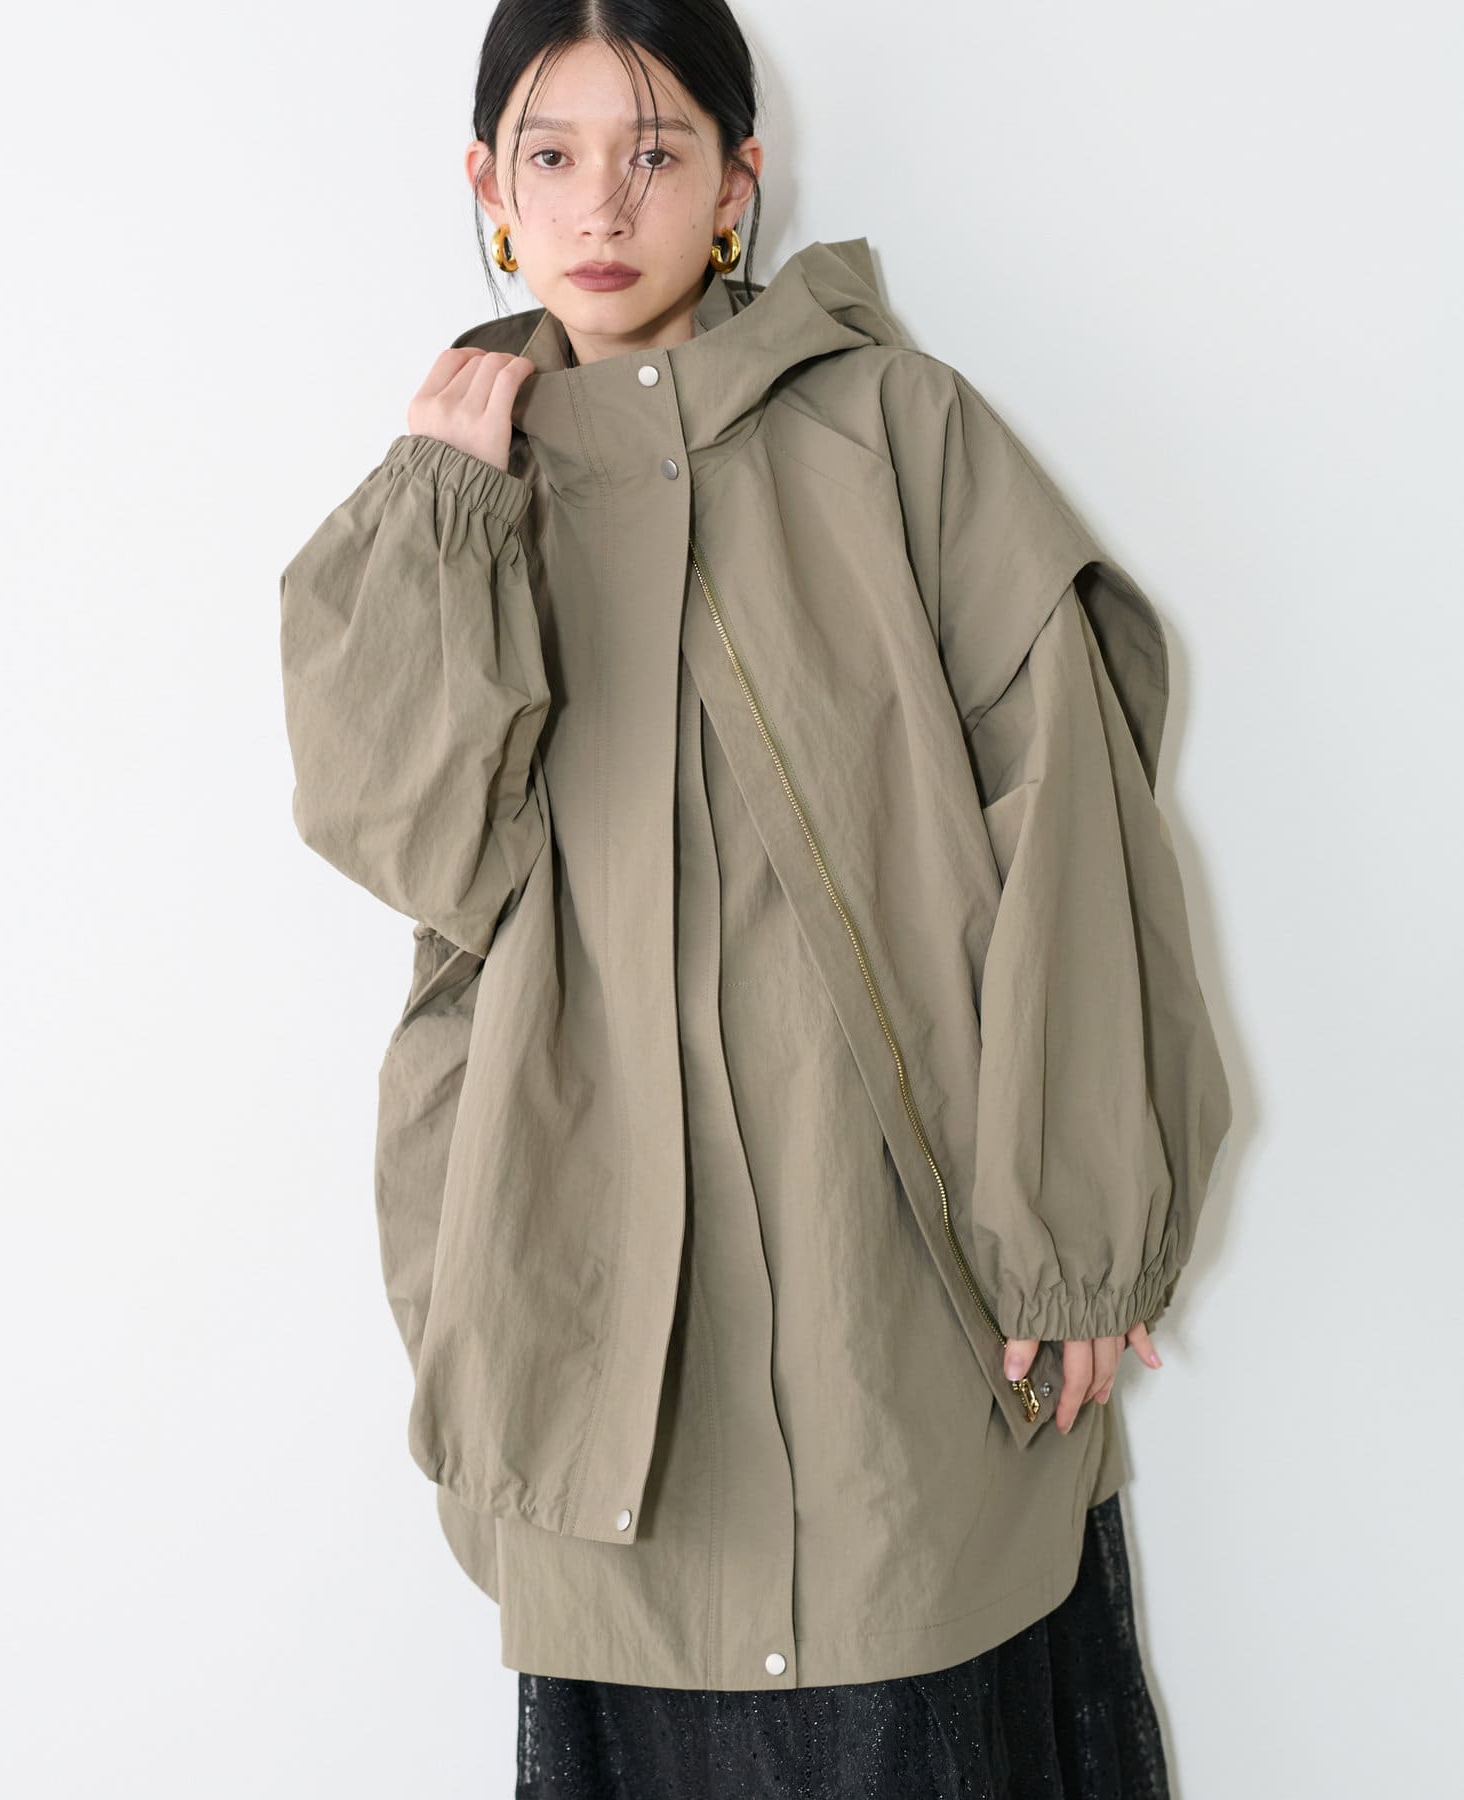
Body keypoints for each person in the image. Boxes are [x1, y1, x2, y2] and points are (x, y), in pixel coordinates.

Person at [277, 4, 1234, 1794]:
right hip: (592, 1321)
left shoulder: (893, 427)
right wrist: (442, 515)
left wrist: (1079, 1218)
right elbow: (405, 841)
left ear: (738, 185)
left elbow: (1078, 814)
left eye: (656, 152)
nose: (602, 203)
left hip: (905, 1303)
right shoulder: (462, 496)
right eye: (554, 154)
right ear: (488, 186)